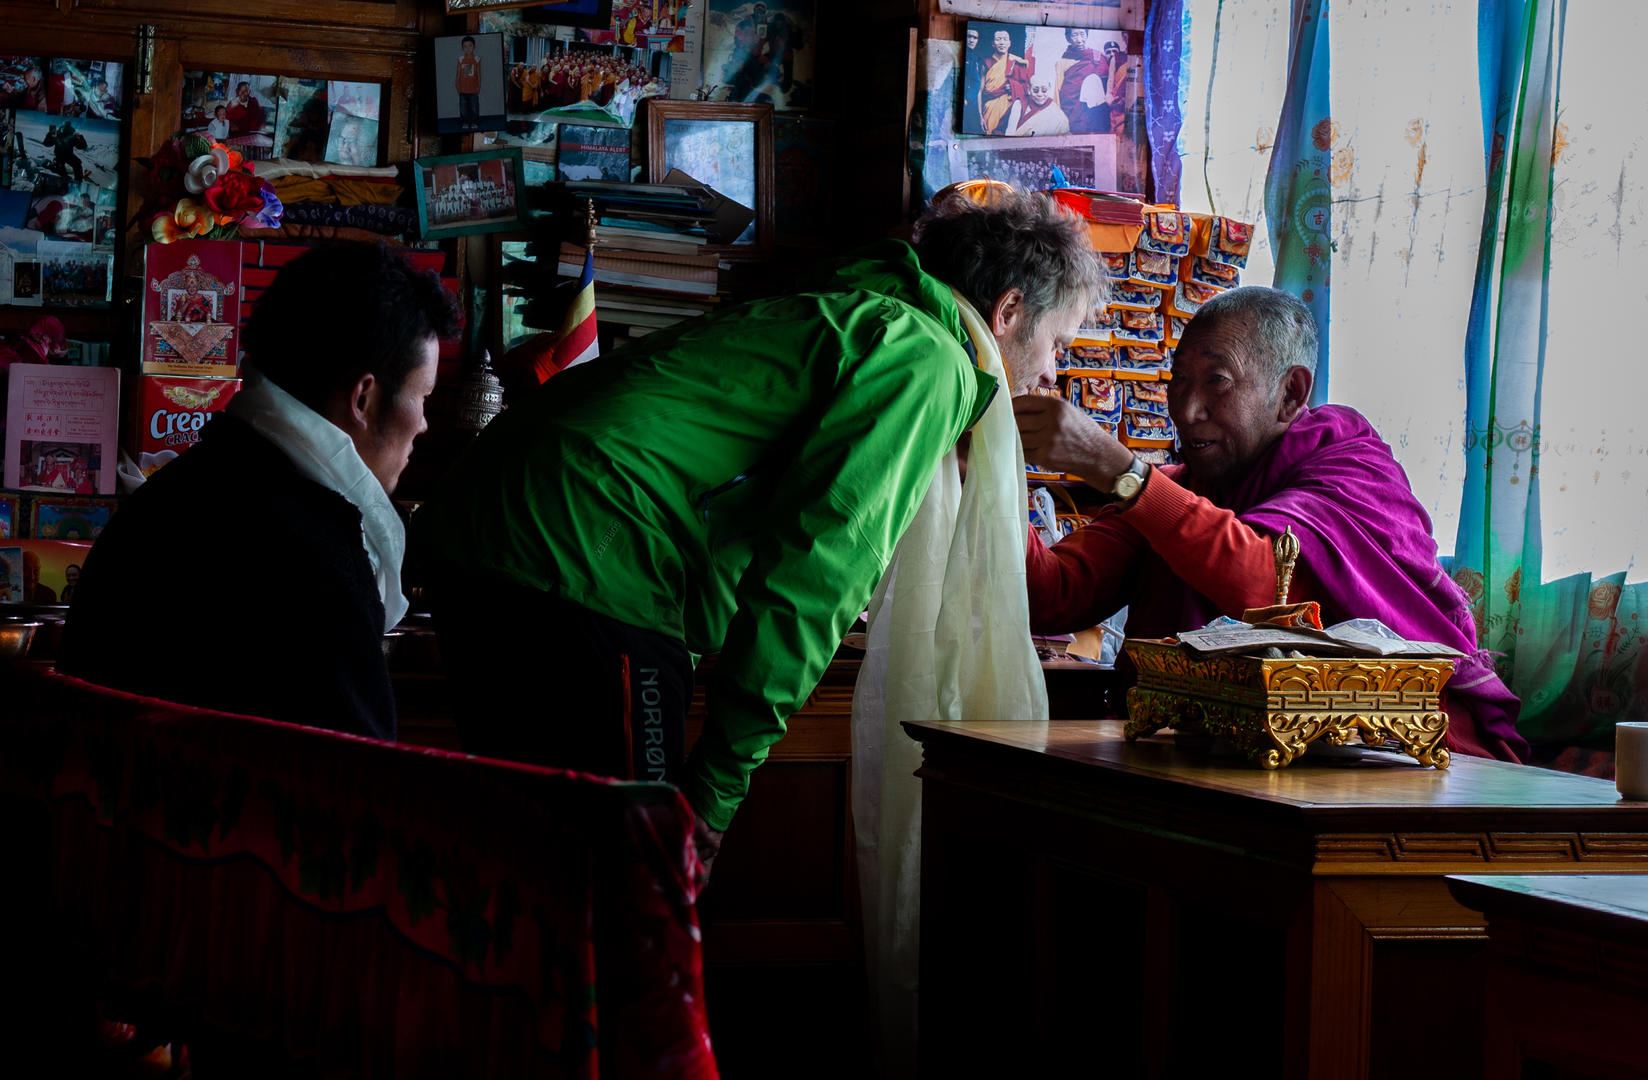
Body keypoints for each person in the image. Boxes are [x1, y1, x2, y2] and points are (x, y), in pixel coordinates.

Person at [423, 189, 1105, 874]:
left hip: (488, 523)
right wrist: (716, 793)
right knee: (633, 885)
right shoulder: (930, 359)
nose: (1052, 374)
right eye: (1058, 345)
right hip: (587, 546)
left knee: (533, 869)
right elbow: (814, 576)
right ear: (1008, 311)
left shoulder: (863, 310)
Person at [1015, 286, 1528, 762]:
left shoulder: (1347, 465)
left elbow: (1269, 587)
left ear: (1290, 393)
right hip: (1215, 756)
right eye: (1178, 381)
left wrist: (1122, 473)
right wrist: (992, 477)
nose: (1187, 410)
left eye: (1217, 381)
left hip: (1390, 759)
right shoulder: (1175, 490)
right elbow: (1054, 596)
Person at [59, 244, 457, 740]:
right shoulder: (320, 562)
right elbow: (351, 788)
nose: (422, 424)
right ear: (363, 397)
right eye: (423, 397)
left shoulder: (171, 495)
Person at [975, 29, 1030, 134]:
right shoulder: (986, 63)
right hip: (990, 108)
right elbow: (980, 90)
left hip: (1010, 108)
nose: (1001, 43)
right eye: (998, 39)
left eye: (1005, 40)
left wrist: (1014, 86)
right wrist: (980, 116)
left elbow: (1027, 88)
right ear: (993, 43)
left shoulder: (1017, 62)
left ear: (1009, 43)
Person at [455, 36, 483, 128]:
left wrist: (479, 86)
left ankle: (474, 122)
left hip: (473, 89)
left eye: (470, 46)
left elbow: (478, 74)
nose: (468, 48)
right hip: (463, 89)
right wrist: (457, 86)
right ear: (462, 48)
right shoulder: (460, 59)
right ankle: (465, 123)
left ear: (474, 47)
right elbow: (458, 74)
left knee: (474, 107)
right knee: (463, 108)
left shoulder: (477, 59)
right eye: (465, 46)